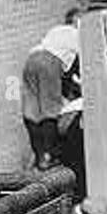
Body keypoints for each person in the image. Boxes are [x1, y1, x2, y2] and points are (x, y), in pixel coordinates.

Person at [21, 16, 81, 169]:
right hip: (50, 63)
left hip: (31, 60)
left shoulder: (57, 30)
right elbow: (79, 68)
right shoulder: (78, 35)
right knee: (50, 112)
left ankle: (39, 154)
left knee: (32, 110)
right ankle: (48, 155)